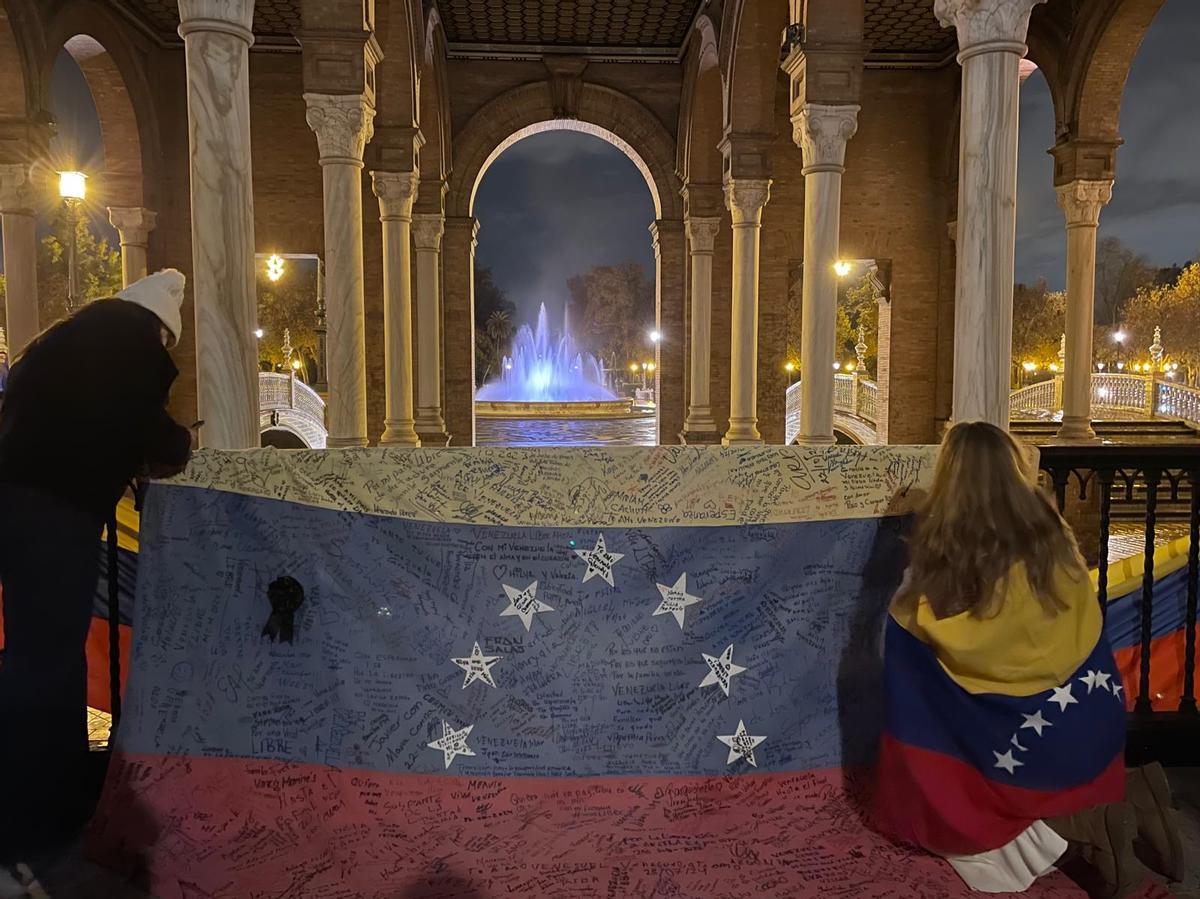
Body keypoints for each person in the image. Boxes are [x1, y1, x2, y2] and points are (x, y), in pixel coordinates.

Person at [874, 421, 1184, 897]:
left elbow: (914, 630)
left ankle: (1093, 829)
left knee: (917, 669)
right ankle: (1128, 802)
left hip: (1020, 749)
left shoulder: (947, 544)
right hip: (1089, 721)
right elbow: (1079, 614)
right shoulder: (1050, 530)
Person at [0, 270, 193, 870]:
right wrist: (177, 444)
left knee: (31, 651)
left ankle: (29, 799)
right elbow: (160, 439)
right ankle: (40, 815)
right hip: (56, 515)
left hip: (12, 501)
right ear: (160, 331)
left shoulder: (63, 339)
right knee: (52, 662)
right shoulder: (133, 349)